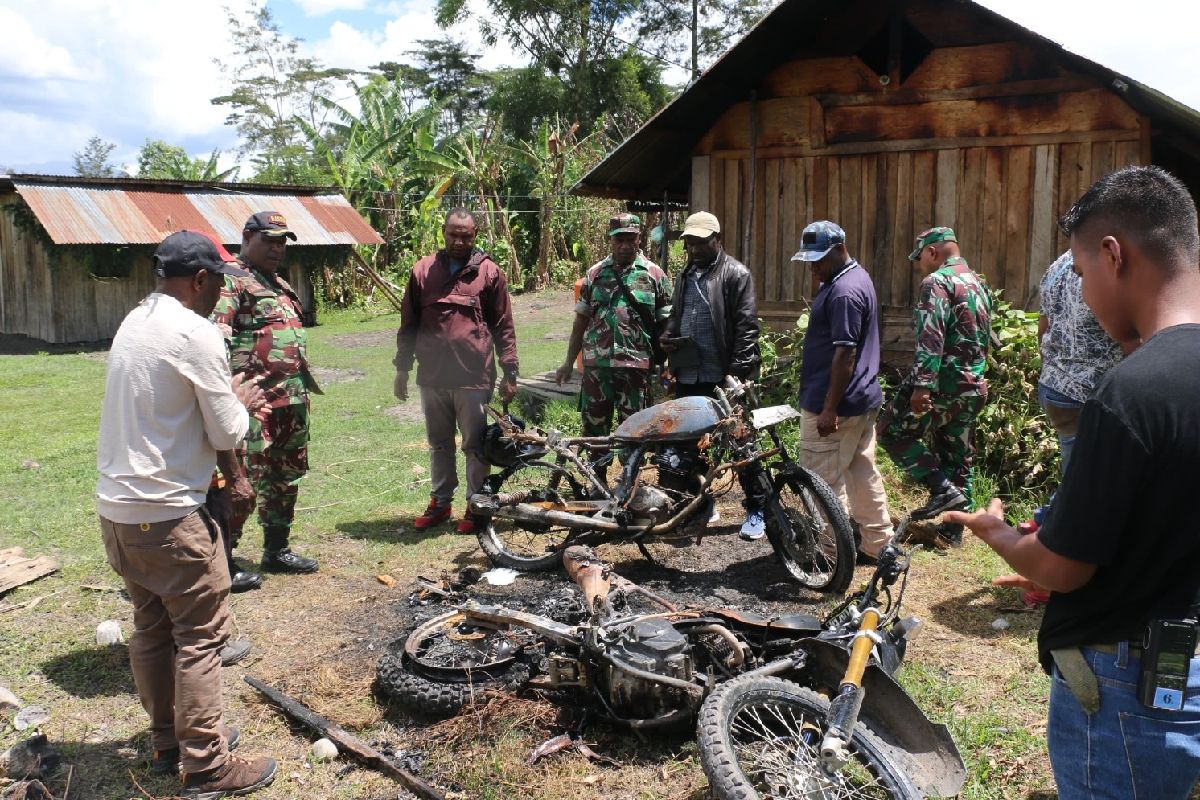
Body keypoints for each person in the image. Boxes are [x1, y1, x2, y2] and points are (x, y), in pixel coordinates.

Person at [948, 165, 1200, 799]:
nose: (1083, 294)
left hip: (1126, 683)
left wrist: (1001, 535)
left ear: (1114, 256)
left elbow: (1063, 568)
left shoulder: (1135, 391)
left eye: (1082, 274)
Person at [96, 231, 277, 796]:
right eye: (216, 282)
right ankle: (208, 766)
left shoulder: (135, 320)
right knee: (200, 638)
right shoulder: (194, 333)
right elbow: (226, 429)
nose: (218, 293)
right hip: (172, 514)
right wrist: (240, 403)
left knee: (151, 628)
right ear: (199, 280)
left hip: (120, 512)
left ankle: (168, 740)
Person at [394, 208, 519, 533]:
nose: (459, 240)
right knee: (439, 444)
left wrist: (510, 372)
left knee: (474, 445)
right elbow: (409, 324)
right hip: (433, 377)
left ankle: (475, 505)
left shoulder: (489, 273)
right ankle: (440, 502)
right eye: (453, 233)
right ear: (444, 232)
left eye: (466, 235)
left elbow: (503, 325)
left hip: (473, 377)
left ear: (475, 235)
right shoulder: (423, 271)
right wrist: (402, 369)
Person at [211, 211, 321, 579]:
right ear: (247, 237)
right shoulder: (232, 280)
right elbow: (216, 337)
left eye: (281, 242)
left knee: (285, 477)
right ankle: (222, 560)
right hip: (254, 403)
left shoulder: (278, 284)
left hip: (291, 398)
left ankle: (277, 550)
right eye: (269, 240)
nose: (277, 248)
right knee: (241, 480)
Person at [877, 226, 991, 546]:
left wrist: (922, 385)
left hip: (944, 384)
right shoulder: (977, 283)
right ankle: (952, 531)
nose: (922, 266)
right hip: (973, 385)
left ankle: (941, 489)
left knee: (890, 430)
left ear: (932, 252)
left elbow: (932, 336)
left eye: (921, 258)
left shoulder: (937, 282)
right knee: (957, 454)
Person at [790, 220, 894, 560]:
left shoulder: (845, 291)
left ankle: (828, 554)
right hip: (860, 399)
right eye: (808, 260)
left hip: (836, 405)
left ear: (839, 249)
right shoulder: (848, 278)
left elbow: (845, 352)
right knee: (862, 471)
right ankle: (878, 545)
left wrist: (828, 408)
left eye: (818, 258)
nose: (813, 266)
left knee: (822, 480)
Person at [659, 211, 764, 538]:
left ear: (717, 239)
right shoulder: (686, 275)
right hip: (689, 374)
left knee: (741, 443)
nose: (694, 248)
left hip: (723, 377)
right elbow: (677, 317)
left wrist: (735, 374)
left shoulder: (736, 274)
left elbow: (747, 328)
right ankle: (699, 507)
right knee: (687, 446)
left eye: (701, 242)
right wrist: (669, 341)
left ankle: (758, 510)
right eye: (690, 242)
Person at [555, 213, 672, 446]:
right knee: (594, 432)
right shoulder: (594, 274)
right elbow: (580, 322)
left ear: (639, 239)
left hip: (636, 369)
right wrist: (568, 362)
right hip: (598, 368)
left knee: (637, 431)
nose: (625, 245)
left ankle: (630, 479)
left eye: (631, 239)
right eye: (620, 239)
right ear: (611, 240)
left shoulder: (655, 275)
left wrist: (668, 366)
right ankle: (596, 477)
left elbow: (668, 325)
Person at [1036, 250, 1131, 475]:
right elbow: (1130, 339)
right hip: (1089, 395)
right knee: (1088, 479)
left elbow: (1042, 329)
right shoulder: (1105, 266)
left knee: (1079, 471)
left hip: (1053, 387)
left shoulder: (1056, 266)